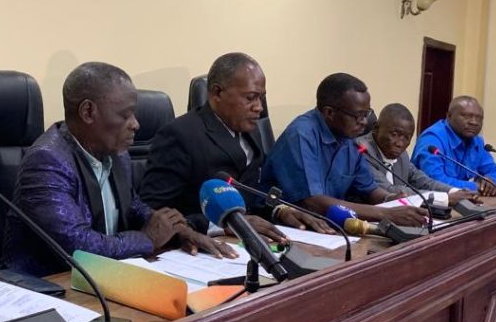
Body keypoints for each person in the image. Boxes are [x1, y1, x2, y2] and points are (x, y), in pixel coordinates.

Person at [1, 62, 228, 277]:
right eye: (125, 115)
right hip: (46, 286)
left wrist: (178, 231)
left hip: (106, 277)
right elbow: (79, 248)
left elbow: (132, 207)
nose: (136, 124)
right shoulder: (47, 161)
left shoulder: (116, 154)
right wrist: (148, 239)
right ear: (88, 112)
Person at [140, 52, 326, 237]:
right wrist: (225, 225)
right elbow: (153, 214)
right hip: (199, 245)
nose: (259, 107)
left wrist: (280, 210)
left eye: (261, 98)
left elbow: (252, 193)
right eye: (250, 97)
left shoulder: (250, 129)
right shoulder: (180, 135)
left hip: (247, 241)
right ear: (217, 93)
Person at [261, 73, 428, 227]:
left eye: (367, 114)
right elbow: (313, 203)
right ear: (329, 112)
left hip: (329, 226)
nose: (364, 122)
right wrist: (385, 213)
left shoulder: (348, 140)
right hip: (286, 226)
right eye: (358, 116)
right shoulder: (302, 135)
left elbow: (368, 190)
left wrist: (390, 199)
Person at [357, 103, 477, 206]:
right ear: (376, 128)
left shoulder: (401, 154)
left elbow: (423, 181)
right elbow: (389, 190)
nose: (400, 143)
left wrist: (454, 192)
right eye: (394, 134)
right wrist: (445, 198)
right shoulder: (361, 150)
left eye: (406, 138)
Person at [411, 96, 496, 196]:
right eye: (466, 116)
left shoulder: (477, 141)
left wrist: (491, 181)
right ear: (449, 116)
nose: (474, 122)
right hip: (430, 201)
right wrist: (477, 186)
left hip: (462, 199)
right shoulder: (432, 140)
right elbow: (436, 181)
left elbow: (493, 171)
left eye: (479, 118)